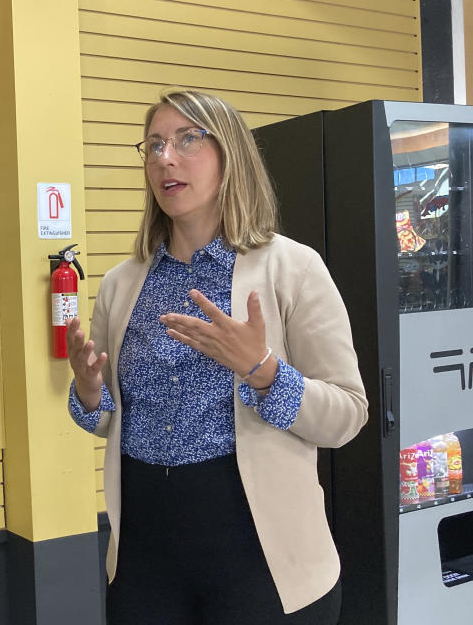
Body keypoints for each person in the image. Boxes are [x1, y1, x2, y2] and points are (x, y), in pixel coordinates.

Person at [65, 89, 368, 624]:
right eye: (154, 144)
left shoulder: (292, 269)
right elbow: (107, 418)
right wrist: (89, 392)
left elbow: (347, 414)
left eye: (188, 139)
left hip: (259, 551)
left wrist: (265, 372)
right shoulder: (120, 285)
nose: (165, 158)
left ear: (232, 156)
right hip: (145, 550)